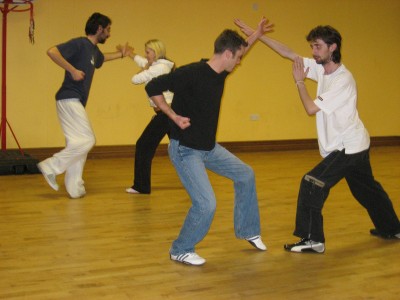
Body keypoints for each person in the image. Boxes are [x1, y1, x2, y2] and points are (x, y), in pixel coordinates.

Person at [234, 19, 400, 253]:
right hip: (357, 141)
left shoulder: (343, 80)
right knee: (367, 189)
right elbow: (289, 53)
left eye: (318, 46)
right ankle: (392, 227)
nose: (313, 51)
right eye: (312, 46)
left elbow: (311, 109)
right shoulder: (322, 69)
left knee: (311, 182)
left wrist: (300, 82)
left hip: (348, 146)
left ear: (333, 47)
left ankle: (313, 239)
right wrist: (258, 35)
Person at [144, 17, 273, 266]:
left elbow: (241, 46)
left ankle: (247, 230)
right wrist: (172, 115)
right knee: (206, 204)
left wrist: (256, 34)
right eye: (237, 58)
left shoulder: (219, 73)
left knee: (246, 175)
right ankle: (180, 248)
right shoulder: (191, 73)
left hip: (209, 148)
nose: (238, 63)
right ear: (227, 54)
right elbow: (152, 86)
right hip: (185, 150)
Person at [37, 13, 131, 199]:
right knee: (87, 141)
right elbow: (52, 51)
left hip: (74, 100)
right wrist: (71, 70)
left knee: (77, 144)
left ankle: (75, 187)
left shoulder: (93, 51)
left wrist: (122, 54)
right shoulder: (80, 43)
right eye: (108, 30)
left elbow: (103, 59)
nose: (109, 34)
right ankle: (51, 166)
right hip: (68, 98)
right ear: (99, 29)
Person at [124, 39, 175, 194]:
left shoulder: (159, 68)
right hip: (169, 113)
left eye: (148, 52)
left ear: (155, 52)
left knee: (143, 145)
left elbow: (135, 79)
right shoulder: (161, 65)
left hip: (166, 114)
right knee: (184, 148)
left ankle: (141, 186)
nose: (146, 55)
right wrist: (130, 55)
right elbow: (143, 62)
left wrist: (144, 67)